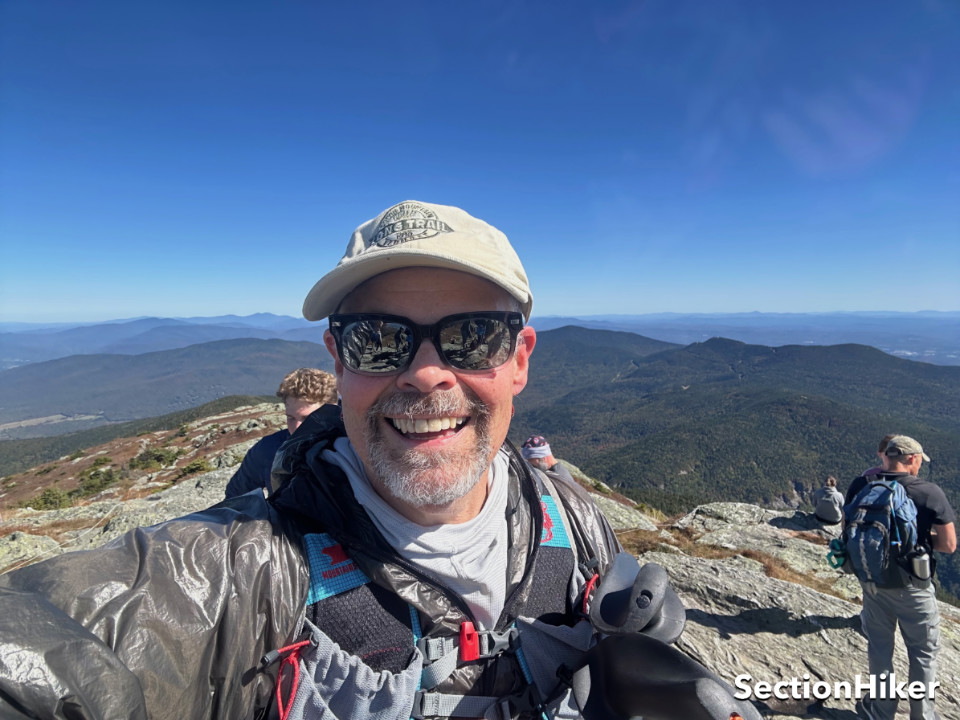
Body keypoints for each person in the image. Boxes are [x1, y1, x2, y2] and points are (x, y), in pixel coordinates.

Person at [0, 201, 753, 720]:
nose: (427, 372)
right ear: (337, 359)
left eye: (473, 336)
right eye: (378, 338)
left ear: (520, 359)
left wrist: (647, 663)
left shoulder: (571, 520)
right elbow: (60, 641)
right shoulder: (241, 575)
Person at [845, 435, 957, 720]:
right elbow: (949, 545)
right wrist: (918, 536)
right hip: (912, 588)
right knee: (922, 653)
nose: (920, 465)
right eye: (920, 460)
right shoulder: (928, 492)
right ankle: (921, 716)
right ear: (911, 459)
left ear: (886, 457)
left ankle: (881, 713)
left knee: (880, 651)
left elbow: (847, 531)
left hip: (872, 584)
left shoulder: (861, 485)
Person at [224, 367, 338, 498]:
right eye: (291, 418)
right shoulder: (269, 450)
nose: (297, 428)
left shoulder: (354, 445)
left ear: (333, 412)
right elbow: (236, 498)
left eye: (308, 419)